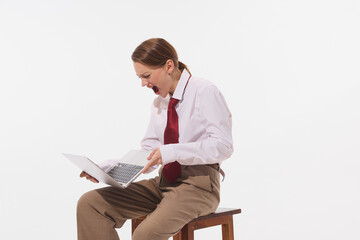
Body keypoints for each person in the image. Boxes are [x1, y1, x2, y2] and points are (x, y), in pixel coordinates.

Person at [77, 38, 233, 240]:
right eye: (139, 77)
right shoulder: (159, 104)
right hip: (164, 182)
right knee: (91, 204)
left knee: (145, 234)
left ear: (169, 66)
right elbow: (150, 155)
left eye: (146, 75)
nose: (143, 84)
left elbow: (223, 146)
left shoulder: (204, 91)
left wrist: (171, 152)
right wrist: (111, 168)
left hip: (199, 185)